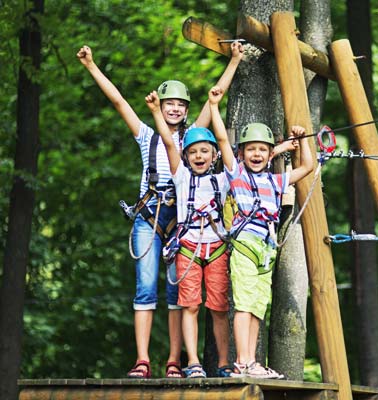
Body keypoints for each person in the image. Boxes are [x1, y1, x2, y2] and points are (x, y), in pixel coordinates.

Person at [76, 41, 243, 378]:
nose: (175, 109)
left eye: (181, 104)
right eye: (170, 104)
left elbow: (216, 97)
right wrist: (91, 65)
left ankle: (173, 360)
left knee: (177, 293)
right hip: (150, 216)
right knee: (145, 286)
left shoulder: (196, 139)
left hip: (183, 221)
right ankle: (142, 359)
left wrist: (236, 60)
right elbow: (119, 101)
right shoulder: (148, 136)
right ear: (161, 106)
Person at [209, 86, 314, 378]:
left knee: (258, 306)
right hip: (244, 244)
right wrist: (214, 107)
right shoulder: (237, 173)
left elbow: (307, 166)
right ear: (241, 153)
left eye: (262, 150)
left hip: (266, 249)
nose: (256, 154)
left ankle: (251, 361)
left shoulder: (277, 181)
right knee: (243, 303)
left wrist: (302, 140)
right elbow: (220, 138)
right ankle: (242, 361)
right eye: (251, 149)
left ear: (270, 154)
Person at [145, 88, 232, 378]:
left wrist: (215, 106)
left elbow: (224, 142)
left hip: (217, 247)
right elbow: (170, 144)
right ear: (186, 157)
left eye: (204, 152)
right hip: (188, 247)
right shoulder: (180, 177)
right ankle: (193, 361)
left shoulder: (224, 179)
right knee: (190, 305)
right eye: (193, 152)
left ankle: (222, 363)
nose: (199, 156)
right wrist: (157, 111)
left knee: (219, 308)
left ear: (214, 155)